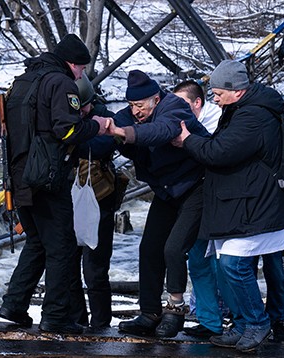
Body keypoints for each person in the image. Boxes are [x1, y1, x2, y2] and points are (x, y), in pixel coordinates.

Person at [172, 59, 284, 353]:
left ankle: (257, 322)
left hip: (256, 203)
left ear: (236, 91)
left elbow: (219, 151)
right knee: (233, 264)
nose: (214, 98)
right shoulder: (242, 110)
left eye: (217, 93)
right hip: (244, 201)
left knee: (233, 264)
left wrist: (187, 140)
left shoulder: (252, 117)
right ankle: (241, 325)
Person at [0, 34, 108, 334]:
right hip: (47, 177)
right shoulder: (61, 83)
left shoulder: (21, 82)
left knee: (37, 242)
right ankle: (55, 316)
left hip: (19, 178)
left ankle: (14, 305)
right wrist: (96, 125)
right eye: (82, 69)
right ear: (72, 63)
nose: (82, 74)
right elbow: (67, 130)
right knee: (62, 248)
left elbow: (2, 128)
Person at [106, 70, 210, 338]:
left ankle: (175, 310)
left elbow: (160, 131)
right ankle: (149, 312)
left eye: (140, 106)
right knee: (149, 248)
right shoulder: (131, 114)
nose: (135, 112)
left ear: (155, 98)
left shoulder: (174, 106)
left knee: (174, 249)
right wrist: (94, 124)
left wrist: (122, 132)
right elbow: (114, 125)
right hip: (166, 191)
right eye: (131, 106)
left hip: (196, 185)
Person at [172, 79, 224, 339]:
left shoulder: (216, 122)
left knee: (222, 264)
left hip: (215, 200)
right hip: (193, 197)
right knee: (198, 260)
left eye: (182, 104)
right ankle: (209, 320)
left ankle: (238, 320)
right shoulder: (186, 122)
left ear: (197, 103)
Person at [73, 76, 120, 330]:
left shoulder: (105, 116)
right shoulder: (64, 113)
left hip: (99, 198)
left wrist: (73, 137)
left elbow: (103, 144)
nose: (81, 112)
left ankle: (101, 323)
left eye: (83, 107)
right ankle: (77, 319)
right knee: (68, 264)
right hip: (68, 197)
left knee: (95, 267)